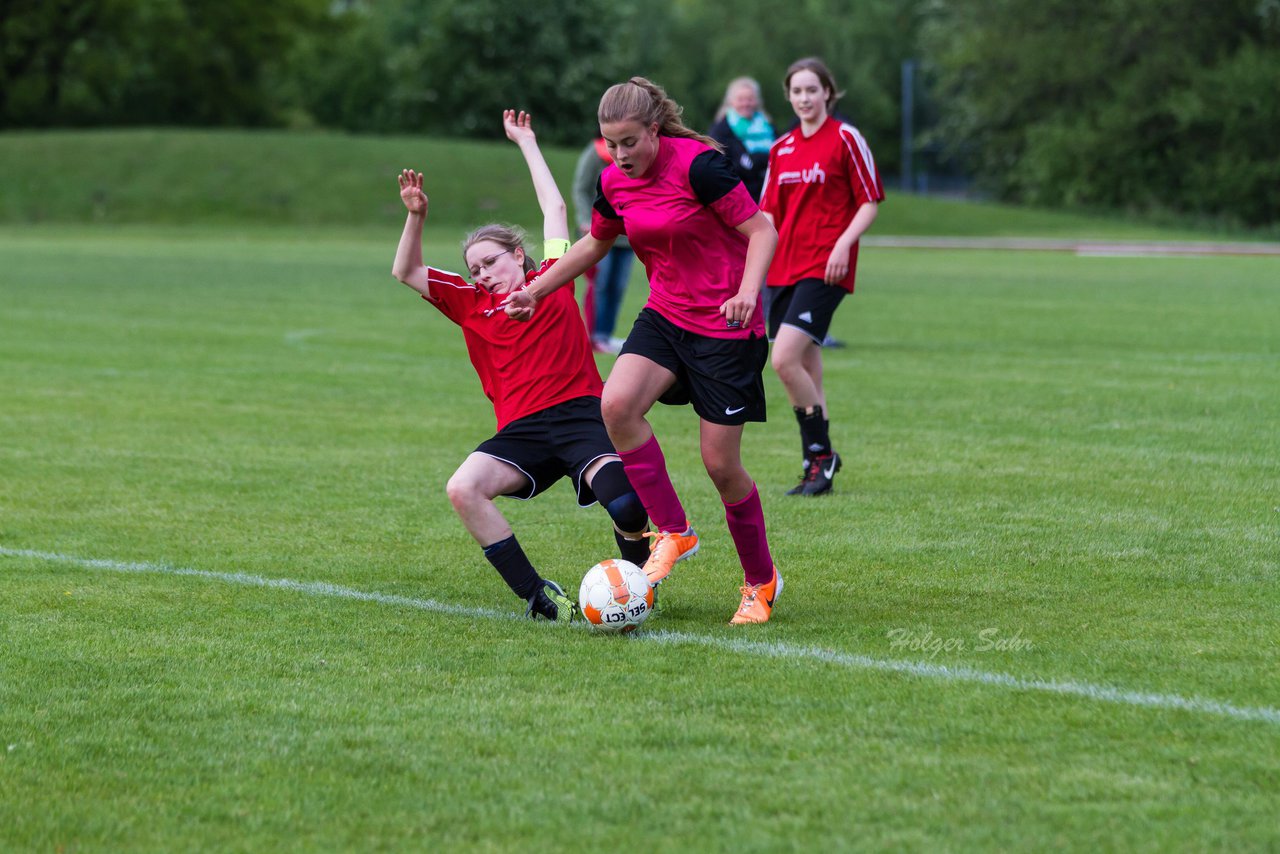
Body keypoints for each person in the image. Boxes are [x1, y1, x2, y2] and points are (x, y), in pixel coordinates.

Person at [503, 78, 784, 625]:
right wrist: (535, 291)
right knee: (616, 405)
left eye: (630, 141)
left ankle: (760, 581)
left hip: (726, 326)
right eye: (611, 143)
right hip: (666, 315)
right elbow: (595, 242)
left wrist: (748, 292)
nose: (620, 154)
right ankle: (675, 533)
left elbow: (762, 230)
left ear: (654, 130)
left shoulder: (701, 166)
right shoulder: (614, 180)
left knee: (721, 466)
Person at [390, 110, 651, 623]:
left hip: (579, 416)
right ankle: (539, 596)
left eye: (491, 261)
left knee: (625, 506)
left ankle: (636, 586)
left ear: (518, 254)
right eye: (476, 269)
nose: (483, 274)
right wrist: (416, 216)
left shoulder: (553, 276)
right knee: (462, 487)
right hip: (521, 433)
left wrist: (527, 141)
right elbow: (406, 270)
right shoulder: (469, 304)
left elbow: (554, 205)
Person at [760, 57, 885, 496]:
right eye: (797, 91)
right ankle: (817, 468)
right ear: (789, 96)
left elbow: (869, 200)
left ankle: (822, 454)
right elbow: (767, 215)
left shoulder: (846, 138)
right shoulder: (781, 149)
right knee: (807, 365)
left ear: (828, 92)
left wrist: (842, 245)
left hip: (825, 265)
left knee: (784, 359)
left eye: (812, 90)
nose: (805, 98)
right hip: (784, 267)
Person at [572, 137, 636, 354]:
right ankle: (594, 336)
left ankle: (605, 336)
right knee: (600, 283)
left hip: (627, 236)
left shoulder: (637, 154)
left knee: (617, 286)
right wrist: (585, 220)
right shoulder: (595, 152)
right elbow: (580, 189)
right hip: (597, 233)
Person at [707, 77, 775, 202]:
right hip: (739, 197)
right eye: (741, 99)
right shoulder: (721, 129)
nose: (746, 104)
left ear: (757, 101)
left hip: (767, 193)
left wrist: (755, 160)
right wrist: (758, 161)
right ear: (731, 102)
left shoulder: (767, 125)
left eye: (750, 99)